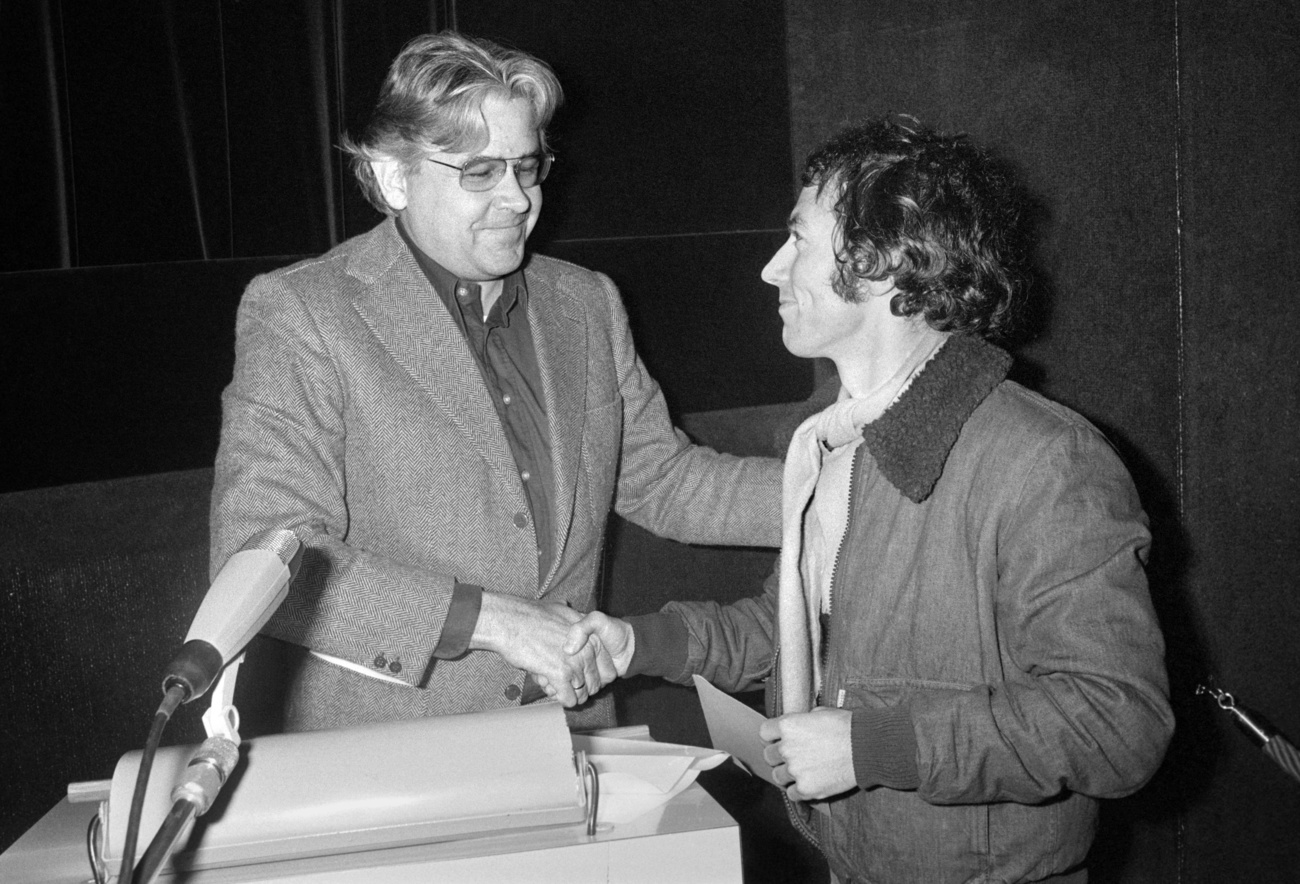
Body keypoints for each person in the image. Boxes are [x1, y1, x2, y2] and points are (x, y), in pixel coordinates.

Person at [567, 116, 1174, 882]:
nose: (771, 268)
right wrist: (639, 644)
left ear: (884, 264)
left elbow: (1118, 726)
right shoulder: (838, 437)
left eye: (799, 241)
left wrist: (871, 746)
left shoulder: (1045, 462)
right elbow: (796, 625)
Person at [209, 32, 781, 733]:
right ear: (395, 177)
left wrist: (840, 491)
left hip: (572, 736)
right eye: (480, 173)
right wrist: (494, 622)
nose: (518, 200)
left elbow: (665, 479)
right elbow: (264, 552)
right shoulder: (303, 312)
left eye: (529, 167)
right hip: (392, 757)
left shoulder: (587, 303)